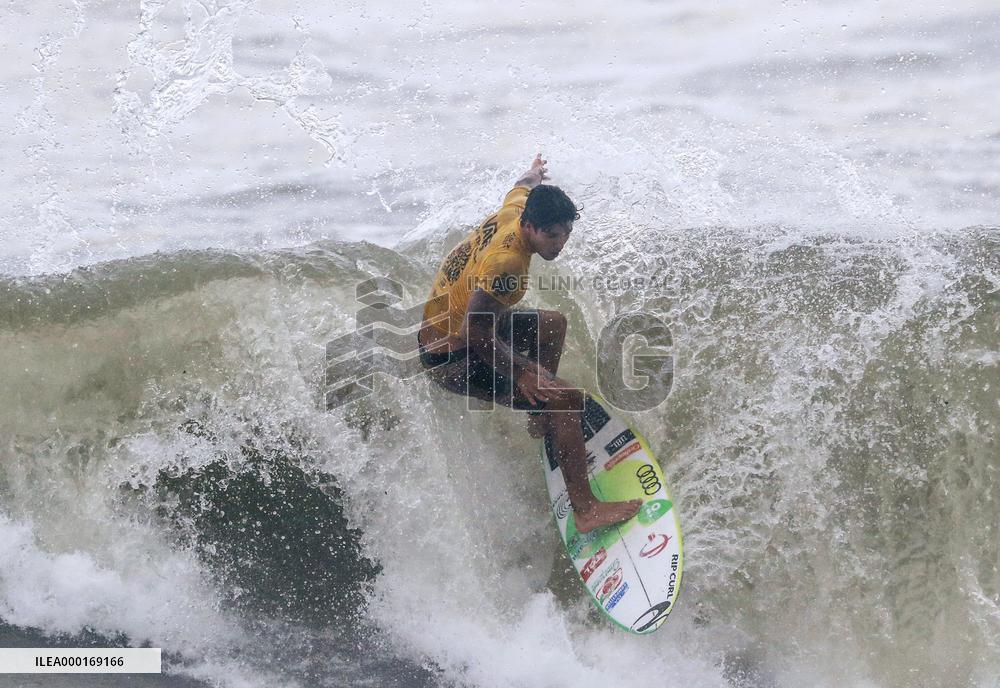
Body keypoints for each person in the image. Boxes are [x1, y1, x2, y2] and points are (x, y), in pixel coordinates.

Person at [417, 154, 641, 533]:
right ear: (530, 227)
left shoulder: (517, 208)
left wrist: (536, 172)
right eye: (552, 235)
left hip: (455, 331)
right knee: (568, 399)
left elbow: (523, 183)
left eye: (566, 233)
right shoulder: (509, 264)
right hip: (449, 358)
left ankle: (540, 414)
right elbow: (476, 332)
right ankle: (586, 511)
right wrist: (521, 371)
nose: (560, 243)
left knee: (553, 324)